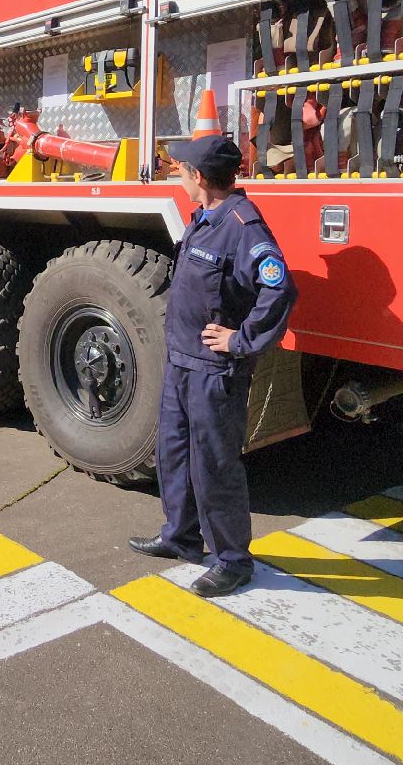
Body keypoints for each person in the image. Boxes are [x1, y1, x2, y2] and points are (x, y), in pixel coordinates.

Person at [127, 134, 297, 598]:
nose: (176, 175)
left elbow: (279, 290)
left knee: (214, 465)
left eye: (180, 170)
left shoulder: (244, 227)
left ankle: (233, 560)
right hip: (182, 363)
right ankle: (180, 536)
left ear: (198, 177)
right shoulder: (205, 218)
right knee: (174, 454)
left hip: (213, 372)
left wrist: (240, 341)